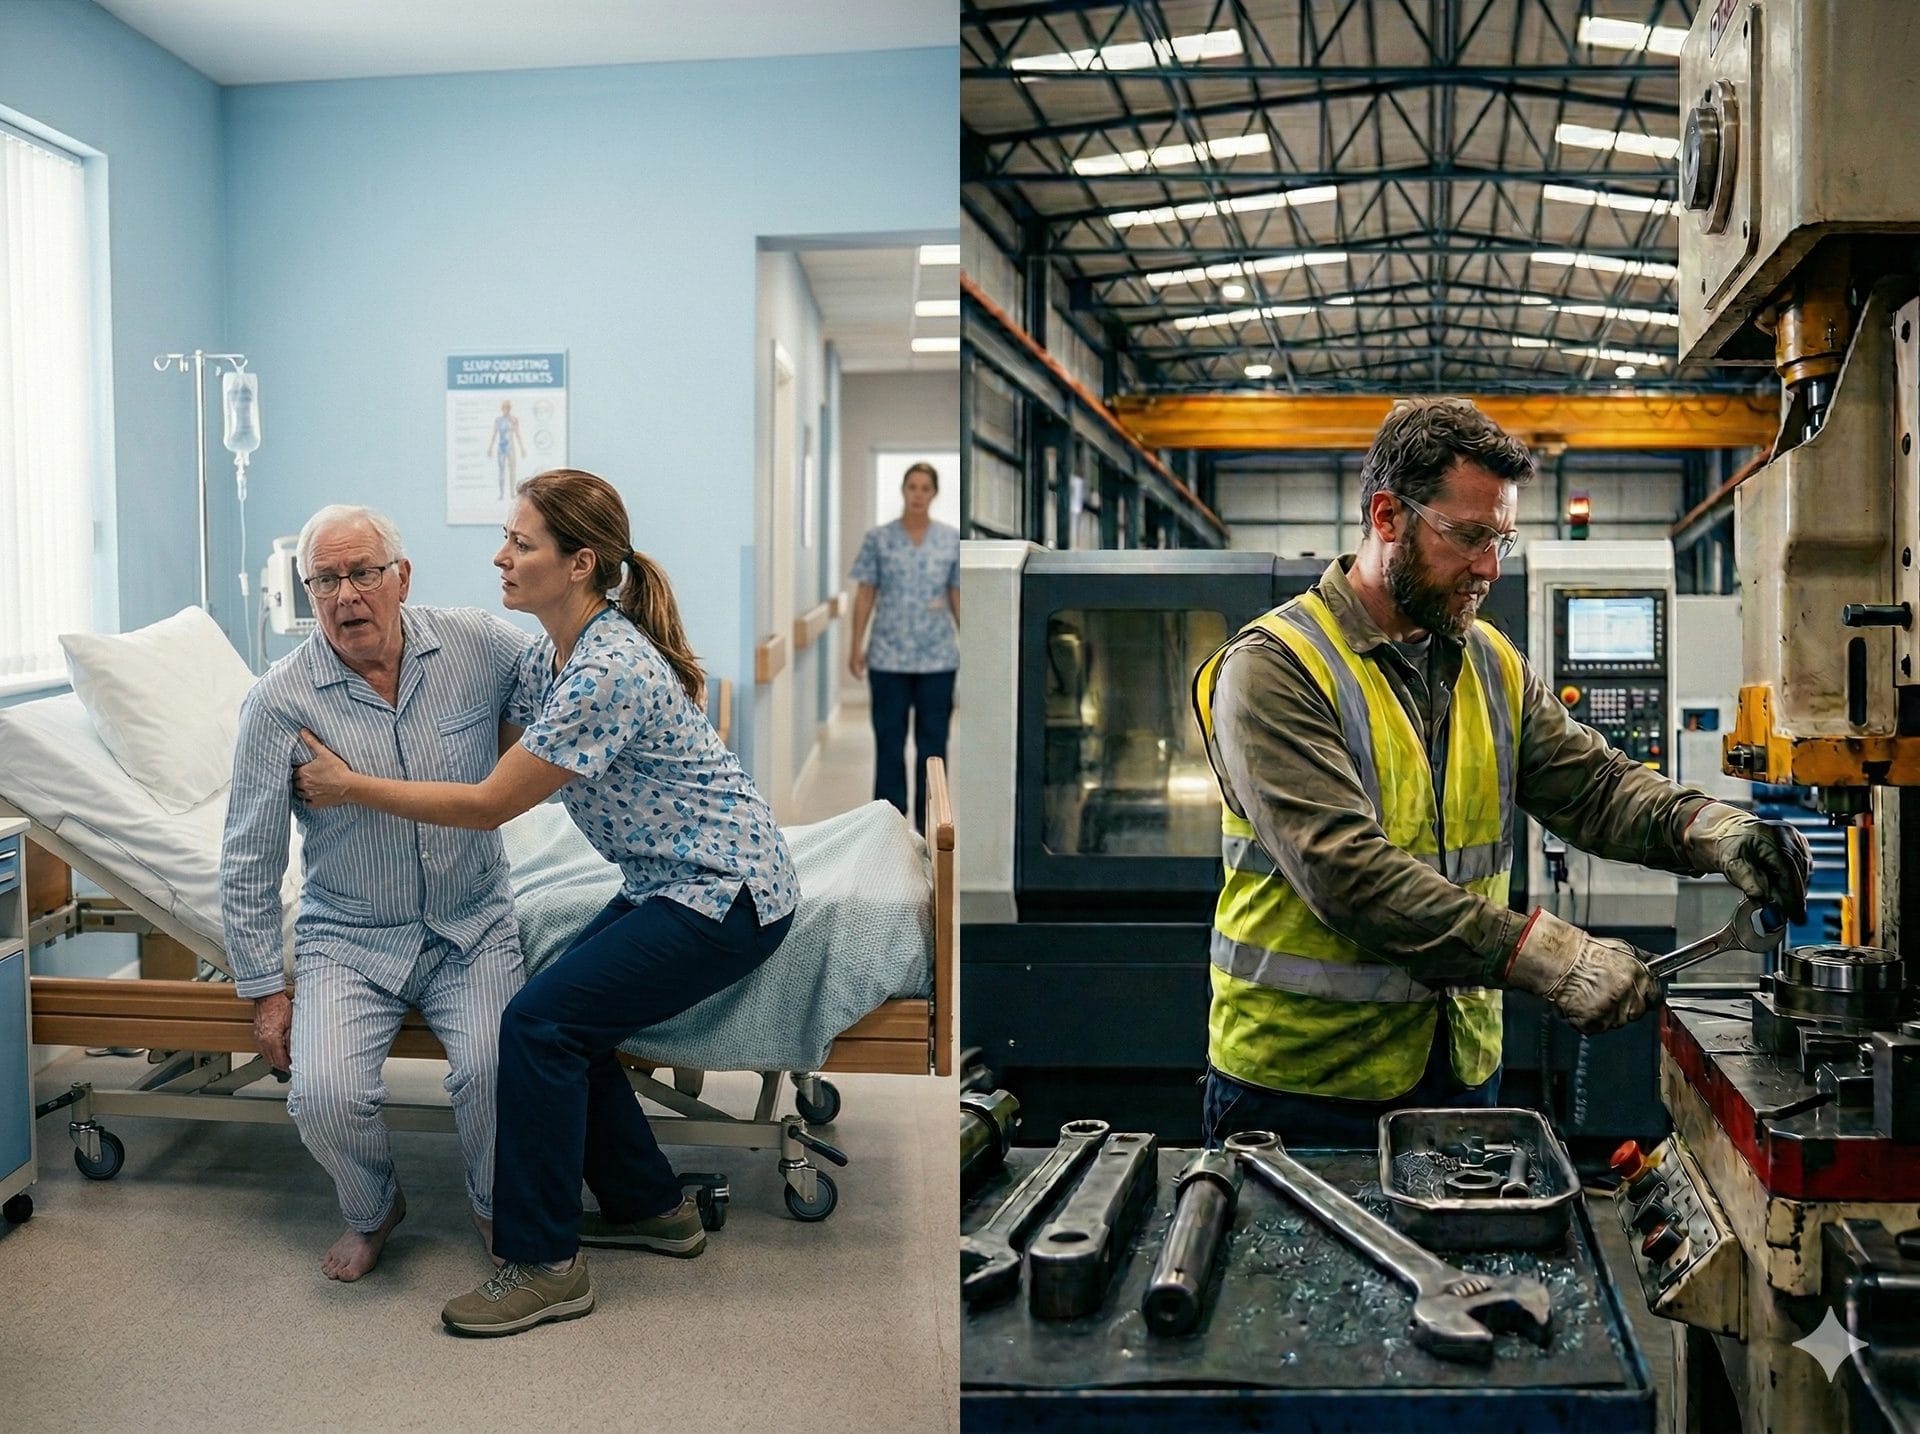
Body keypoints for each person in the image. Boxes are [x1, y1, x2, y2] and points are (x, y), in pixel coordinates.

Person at [1192, 398, 1812, 1148]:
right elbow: (1346, 873)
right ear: (1387, 517)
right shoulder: (1276, 667)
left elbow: (1593, 786)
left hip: (1458, 1069)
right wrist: (1550, 957)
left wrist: (1710, 828)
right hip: (1302, 1090)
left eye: (1504, 541)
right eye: (1470, 536)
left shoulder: (1487, 660)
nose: (1488, 567)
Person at [292, 468, 799, 1337]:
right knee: (573, 1018)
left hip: (727, 895)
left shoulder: (605, 669)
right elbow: (485, 732)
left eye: (521, 543)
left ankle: (544, 1262)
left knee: (536, 1025)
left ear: (579, 563)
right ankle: (653, 1210)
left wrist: (350, 787)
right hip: (669, 880)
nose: (501, 556)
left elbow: (491, 800)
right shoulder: (553, 653)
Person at [220, 504, 534, 1282]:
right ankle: (372, 1207)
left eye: (363, 573)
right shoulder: (278, 700)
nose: (346, 595)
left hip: (473, 923)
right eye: (324, 580)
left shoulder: (478, 644)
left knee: (497, 1071)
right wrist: (264, 988)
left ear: (402, 577)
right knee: (322, 1095)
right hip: (350, 935)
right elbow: (248, 852)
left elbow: (556, 698)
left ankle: (497, 1209)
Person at [847, 461, 960, 829]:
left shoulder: (949, 540)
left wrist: (971, 644)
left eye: (925, 488)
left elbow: (956, 595)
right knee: (889, 744)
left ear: (934, 494)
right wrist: (855, 645)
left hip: (937, 659)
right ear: (903, 491)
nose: (918, 494)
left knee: (933, 746)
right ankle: (890, 826)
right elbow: (865, 594)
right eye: (912, 487)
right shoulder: (879, 539)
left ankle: (930, 827)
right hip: (888, 658)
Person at [491, 399, 526, 499]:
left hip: (510, 447)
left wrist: (522, 448)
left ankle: (512, 493)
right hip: (501, 447)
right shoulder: (498, 420)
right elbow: (494, 434)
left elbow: (517, 434)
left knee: (512, 470)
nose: (506, 410)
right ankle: (501, 493)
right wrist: (490, 447)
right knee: (501, 470)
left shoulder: (513, 419)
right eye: (505, 407)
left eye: (508, 407)